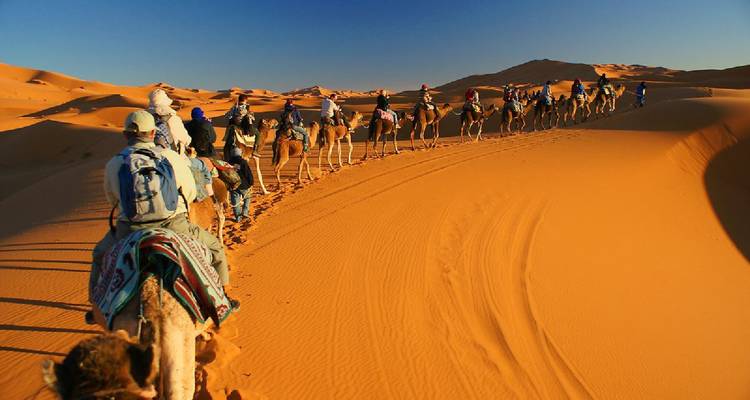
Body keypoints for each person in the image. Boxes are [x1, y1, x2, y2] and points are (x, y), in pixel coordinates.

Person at [88, 110, 238, 322]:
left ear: (126, 135)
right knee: (215, 249)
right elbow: (190, 192)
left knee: (99, 255)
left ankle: (95, 307)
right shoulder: (171, 157)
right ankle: (223, 299)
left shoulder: (115, 162)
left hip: (129, 228)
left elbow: (112, 199)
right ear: (152, 133)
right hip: (173, 224)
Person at [148, 89, 191, 155]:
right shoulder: (174, 119)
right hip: (174, 157)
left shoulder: (145, 118)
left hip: (150, 156)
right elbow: (185, 139)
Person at [228, 155, 254, 223]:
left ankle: (238, 217)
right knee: (247, 198)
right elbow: (248, 173)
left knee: (235, 201)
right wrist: (251, 183)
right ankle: (245, 212)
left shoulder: (228, 162)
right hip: (244, 185)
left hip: (233, 185)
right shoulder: (243, 162)